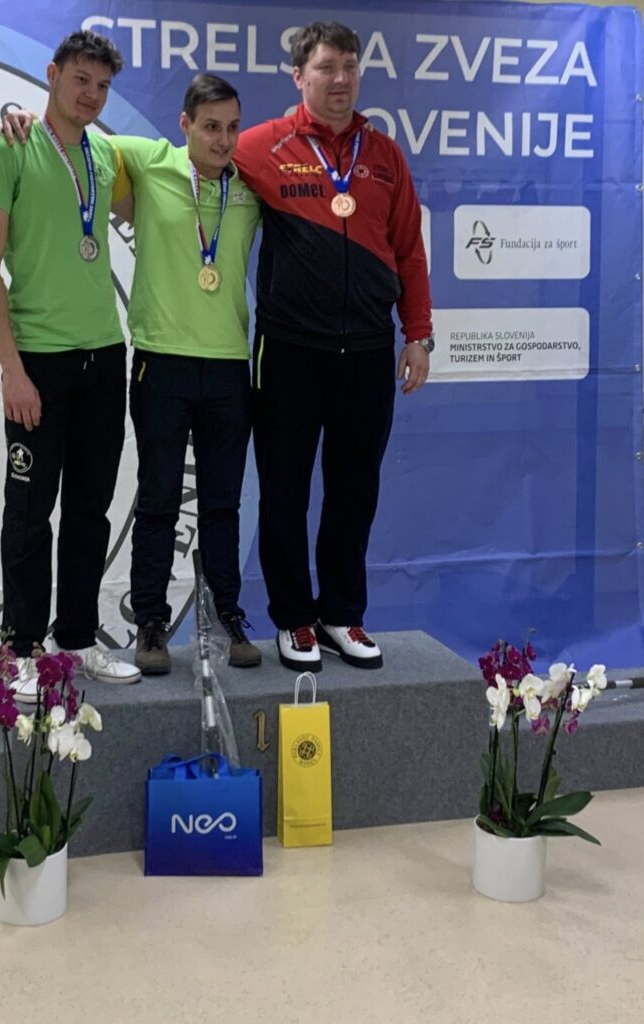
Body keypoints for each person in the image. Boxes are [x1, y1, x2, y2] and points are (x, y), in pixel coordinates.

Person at [0, 73, 263, 675]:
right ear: (185, 125)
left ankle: (229, 613)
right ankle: (150, 623)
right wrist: (21, 117)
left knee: (223, 502)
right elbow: (68, 139)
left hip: (229, 365)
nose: (223, 140)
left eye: (232, 128)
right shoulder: (144, 160)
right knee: (159, 499)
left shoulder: (250, 181)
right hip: (160, 362)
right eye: (210, 127)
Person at [233, 21, 433, 672]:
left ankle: (342, 613)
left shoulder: (384, 155)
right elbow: (182, 162)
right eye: (326, 67)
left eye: (350, 66)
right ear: (299, 76)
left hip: (368, 350)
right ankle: (294, 618)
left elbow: (409, 249)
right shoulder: (261, 146)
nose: (341, 79)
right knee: (284, 491)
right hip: (289, 351)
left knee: (355, 490)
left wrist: (418, 334)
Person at [0, 29, 141, 696]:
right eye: (80, 80)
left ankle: (76, 638)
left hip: (104, 355)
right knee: (28, 511)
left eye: (102, 85)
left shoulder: (106, 153)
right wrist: (12, 370)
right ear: (52, 74)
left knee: (91, 511)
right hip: (38, 360)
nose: (91, 95)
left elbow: (156, 192)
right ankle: (20, 649)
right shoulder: (8, 146)